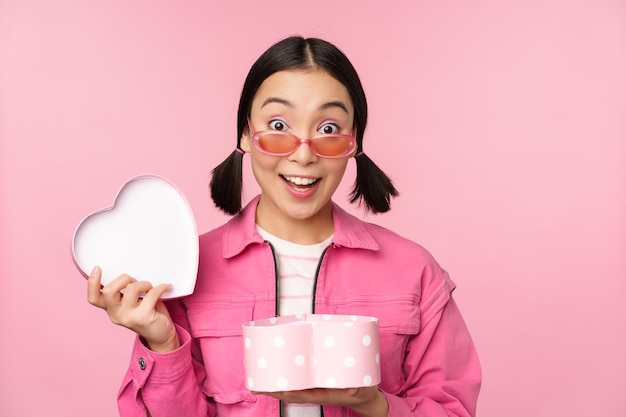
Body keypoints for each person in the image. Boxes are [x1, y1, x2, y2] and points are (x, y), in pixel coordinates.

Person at [87, 36, 481, 417]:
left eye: (328, 129)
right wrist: (162, 341)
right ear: (245, 132)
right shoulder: (188, 269)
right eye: (278, 125)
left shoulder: (414, 272)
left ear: (354, 141)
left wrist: (373, 404)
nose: (304, 154)